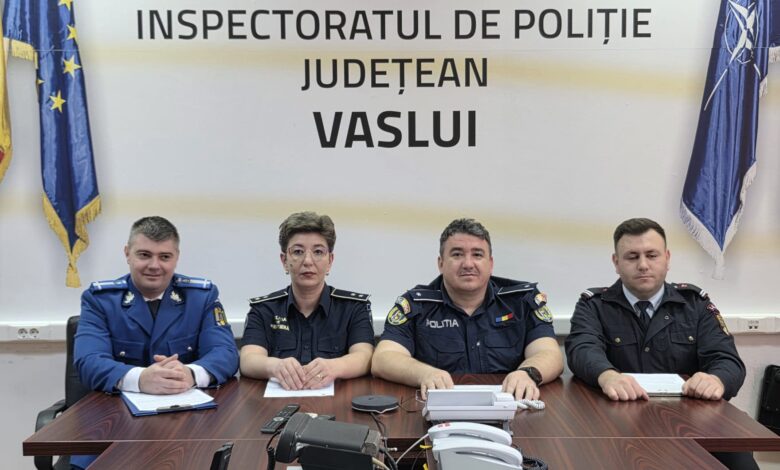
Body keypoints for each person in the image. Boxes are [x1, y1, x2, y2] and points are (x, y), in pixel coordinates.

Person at [565, 217, 753, 470]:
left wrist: (716, 380)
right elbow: (581, 349)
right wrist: (608, 376)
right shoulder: (594, 305)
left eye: (651, 255)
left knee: (742, 464)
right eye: (632, 257)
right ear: (616, 263)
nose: (643, 265)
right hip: (617, 423)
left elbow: (727, 359)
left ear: (667, 258)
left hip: (693, 423)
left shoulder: (695, 304)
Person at [73, 216, 239, 468]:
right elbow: (88, 361)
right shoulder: (100, 300)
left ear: (176, 258)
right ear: (127, 254)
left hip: (188, 426)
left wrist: (190, 374)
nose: (154, 265)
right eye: (144, 255)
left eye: (164, 257)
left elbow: (225, 352)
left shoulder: (201, 296)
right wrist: (140, 379)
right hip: (116, 427)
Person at [371, 218, 563, 399]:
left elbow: (550, 354)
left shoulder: (521, 301)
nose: (468, 264)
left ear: (490, 264)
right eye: (457, 254)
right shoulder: (416, 305)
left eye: (477, 255)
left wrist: (528, 373)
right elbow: (383, 358)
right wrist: (425, 374)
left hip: (511, 404)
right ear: (441, 263)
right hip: (441, 407)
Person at [240, 212, 374, 390]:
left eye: (318, 252)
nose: (308, 261)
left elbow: (365, 356)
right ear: (284, 261)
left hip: (338, 400)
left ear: (330, 261)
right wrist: (275, 366)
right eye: (298, 252)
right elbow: (248, 360)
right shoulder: (264, 309)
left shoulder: (353, 308)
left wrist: (335, 367)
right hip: (277, 403)